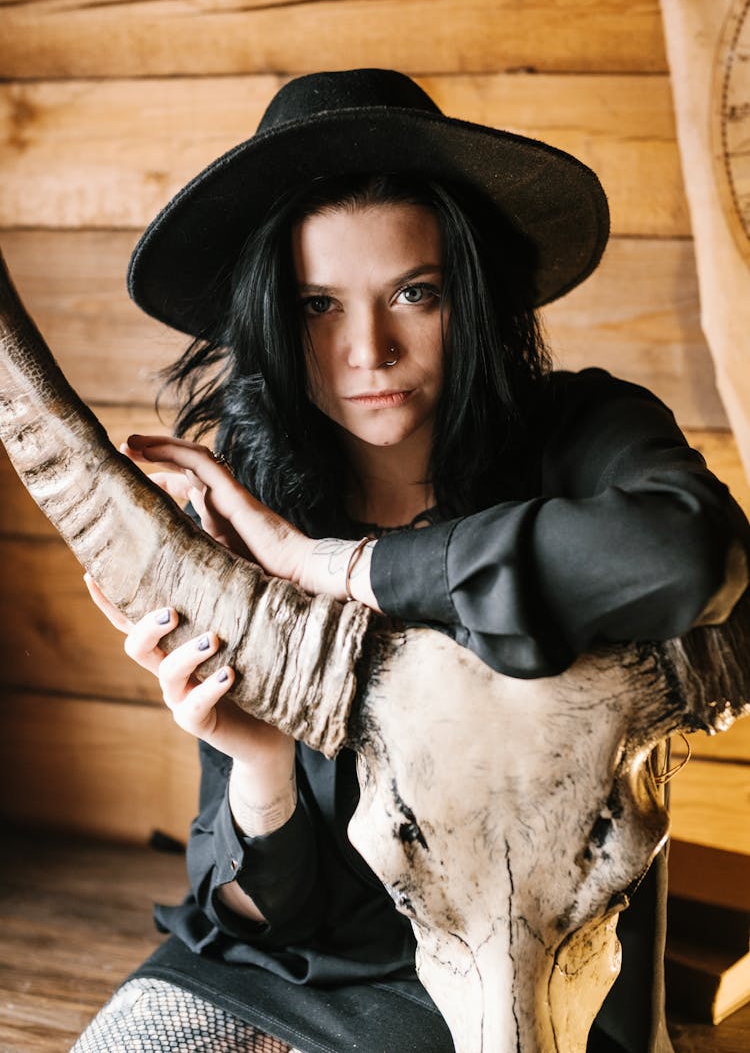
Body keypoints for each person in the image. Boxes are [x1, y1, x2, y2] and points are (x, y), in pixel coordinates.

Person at [74, 69, 748, 1053]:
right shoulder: (249, 496)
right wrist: (256, 759)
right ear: (271, 313)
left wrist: (341, 566)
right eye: (317, 305)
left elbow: (690, 552)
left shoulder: (583, 434)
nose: (368, 352)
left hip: (525, 972)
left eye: (413, 294)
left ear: (467, 294)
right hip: (299, 972)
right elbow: (268, 917)